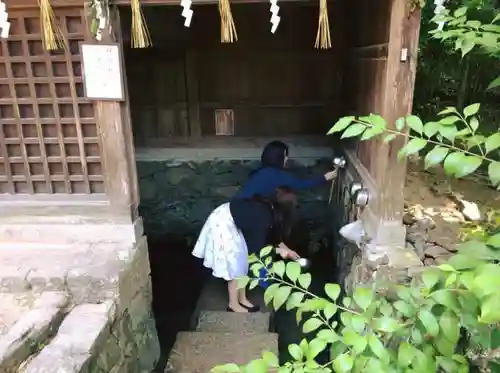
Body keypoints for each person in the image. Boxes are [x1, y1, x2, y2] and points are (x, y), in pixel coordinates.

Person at [192, 141, 338, 313]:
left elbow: (272, 235)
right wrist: (278, 252)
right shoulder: (262, 209)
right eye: (285, 155)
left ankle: (243, 299)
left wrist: (287, 250)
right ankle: (233, 304)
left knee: (241, 261)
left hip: (233, 215)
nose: (293, 201)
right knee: (236, 264)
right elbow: (256, 249)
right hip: (224, 223)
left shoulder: (265, 202)